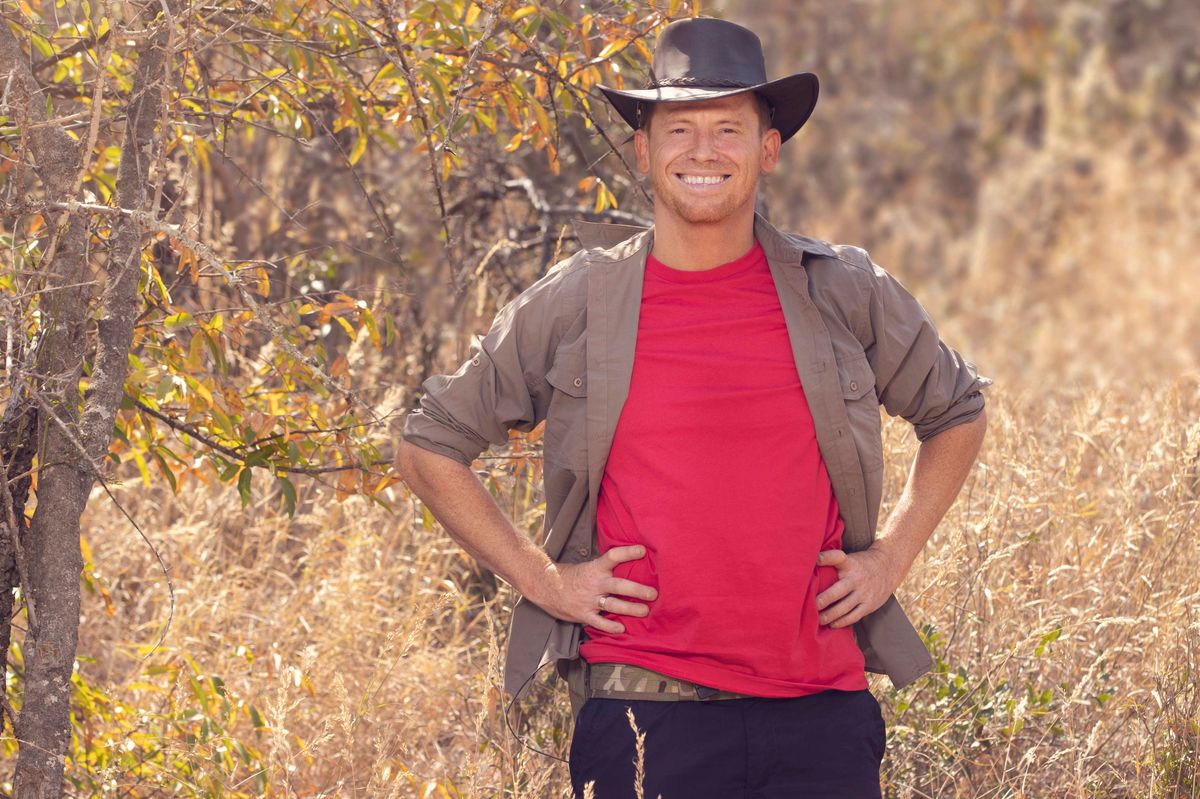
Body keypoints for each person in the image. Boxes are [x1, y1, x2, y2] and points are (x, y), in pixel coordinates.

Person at [396, 16, 991, 799]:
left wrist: (892, 557)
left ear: (767, 149)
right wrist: (547, 579)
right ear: (643, 150)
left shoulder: (841, 289)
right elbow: (427, 444)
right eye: (679, 128)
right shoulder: (582, 300)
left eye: (727, 129)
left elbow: (957, 411)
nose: (702, 151)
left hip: (820, 715)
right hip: (644, 716)